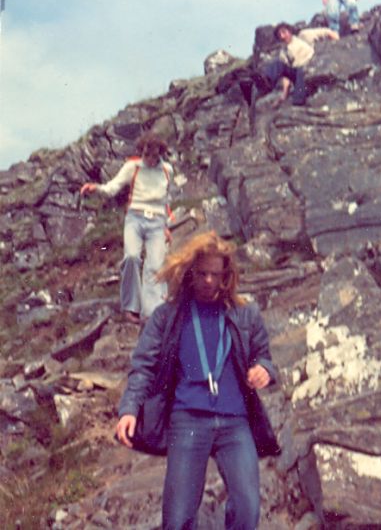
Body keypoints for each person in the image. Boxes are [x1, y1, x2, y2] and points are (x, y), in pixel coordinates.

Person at [115, 230, 280, 529]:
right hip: (188, 420)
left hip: (234, 421)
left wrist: (264, 370)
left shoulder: (246, 313)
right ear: (189, 272)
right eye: (201, 273)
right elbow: (143, 366)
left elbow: (264, 356)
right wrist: (129, 409)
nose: (208, 281)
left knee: (248, 507)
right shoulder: (167, 316)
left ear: (226, 275)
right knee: (177, 518)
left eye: (215, 274)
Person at [80, 132, 174, 323]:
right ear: (141, 151)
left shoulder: (167, 170)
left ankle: (152, 312)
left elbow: (166, 199)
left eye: (153, 154)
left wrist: (166, 225)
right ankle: (131, 307)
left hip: (157, 221)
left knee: (155, 266)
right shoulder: (133, 167)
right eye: (145, 154)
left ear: (160, 153)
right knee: (131, 257)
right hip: (135, 219)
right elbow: (112, 188)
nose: (148, 158)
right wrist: (95, 188)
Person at [264, 22, 339, 106]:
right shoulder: (284, 52)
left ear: (290, 31)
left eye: (284, 32)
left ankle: (298, 100)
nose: (282, 36)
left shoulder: (303, 36)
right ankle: (266, 81)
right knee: (278, 63)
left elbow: (326, 32)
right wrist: (284, 95)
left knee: (301, 70)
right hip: (296, 74)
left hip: (310, 68)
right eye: (279, 35)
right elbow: (286, 77)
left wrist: (338, 42)